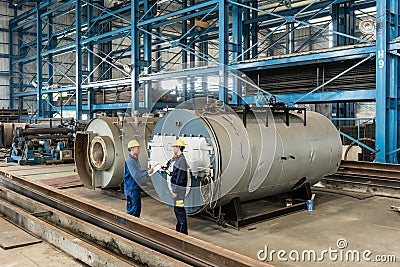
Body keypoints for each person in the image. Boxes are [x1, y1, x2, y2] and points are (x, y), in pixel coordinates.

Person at [124, 139, 153, 217]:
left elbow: (138, 172)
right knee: (132, 212)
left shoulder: (135, 160)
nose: (139, 150)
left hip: (135, 189)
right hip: (131, 190)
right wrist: (147, 173)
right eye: (138, 148)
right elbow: (136, 175)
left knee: (137, 210)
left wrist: (147, 171)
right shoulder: (130, 161)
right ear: (132, 149)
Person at [170, 139, 189, 234]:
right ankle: (179, 230)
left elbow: (180, 178)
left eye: (174, 147)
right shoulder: (179, 159)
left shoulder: (181, 161)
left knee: (179, 210)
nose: (173, 149)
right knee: (177, 210)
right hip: (178, 190)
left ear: (178, 147)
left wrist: (175, 191)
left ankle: (183, 233)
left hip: (179, 191)